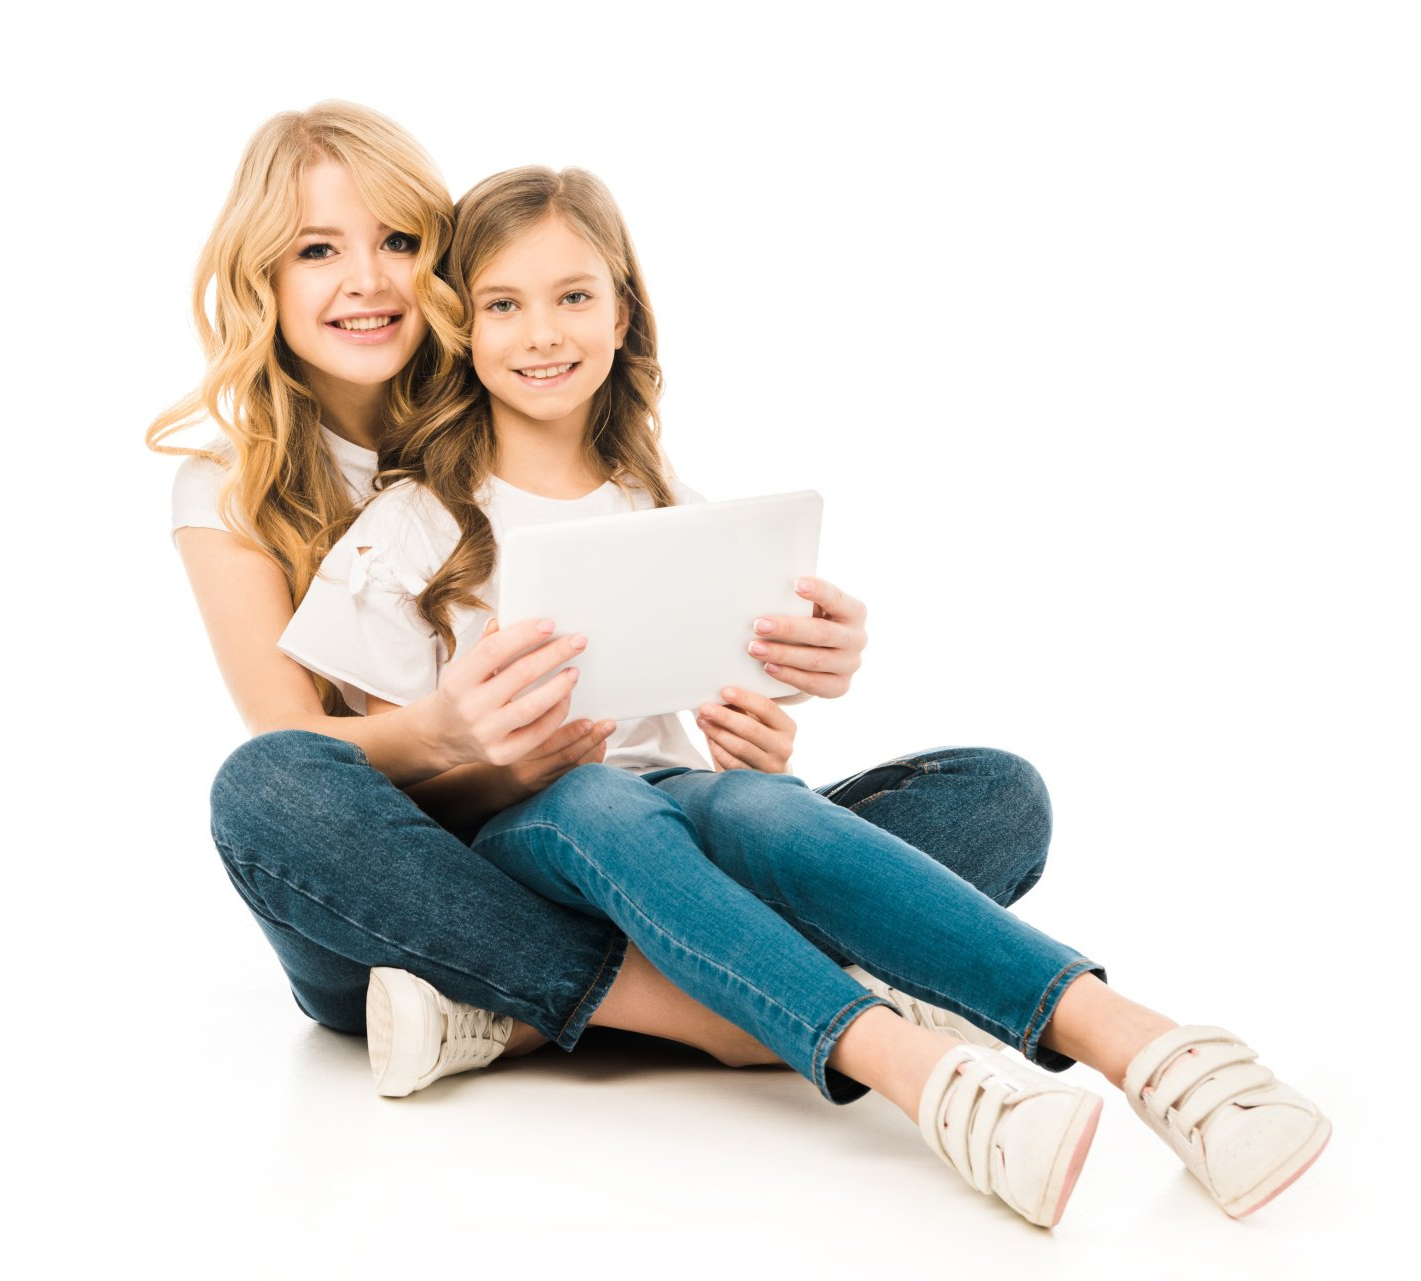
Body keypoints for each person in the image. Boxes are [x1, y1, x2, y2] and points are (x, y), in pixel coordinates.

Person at [278, 162, 1331, 1229]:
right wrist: (494, 761)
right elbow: (350, 792)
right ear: (459, 325)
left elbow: (705, 728)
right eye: (503, 304)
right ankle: (922, 1072)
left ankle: (1152, 1051)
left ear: (623, 312)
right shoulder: (408, 528)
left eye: (573, 296)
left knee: (954, 796)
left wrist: (767, 741)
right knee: (601, 800)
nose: (541, 333)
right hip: (519, 858)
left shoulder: (666, 501)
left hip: (681, 836)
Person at [149, 103, 1054, 1116]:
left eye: (400, 241)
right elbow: (299, 752)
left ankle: (526, 1018)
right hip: (411, 898)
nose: (366, 279)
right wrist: (458, 745)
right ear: (258, 275)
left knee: (987, 799)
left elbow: (673, 644)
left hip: (624, 847)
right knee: (269, 789)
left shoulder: (523, 407)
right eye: (317, 249)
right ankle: (725, 1014)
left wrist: (784, 684)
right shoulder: (230, 484)